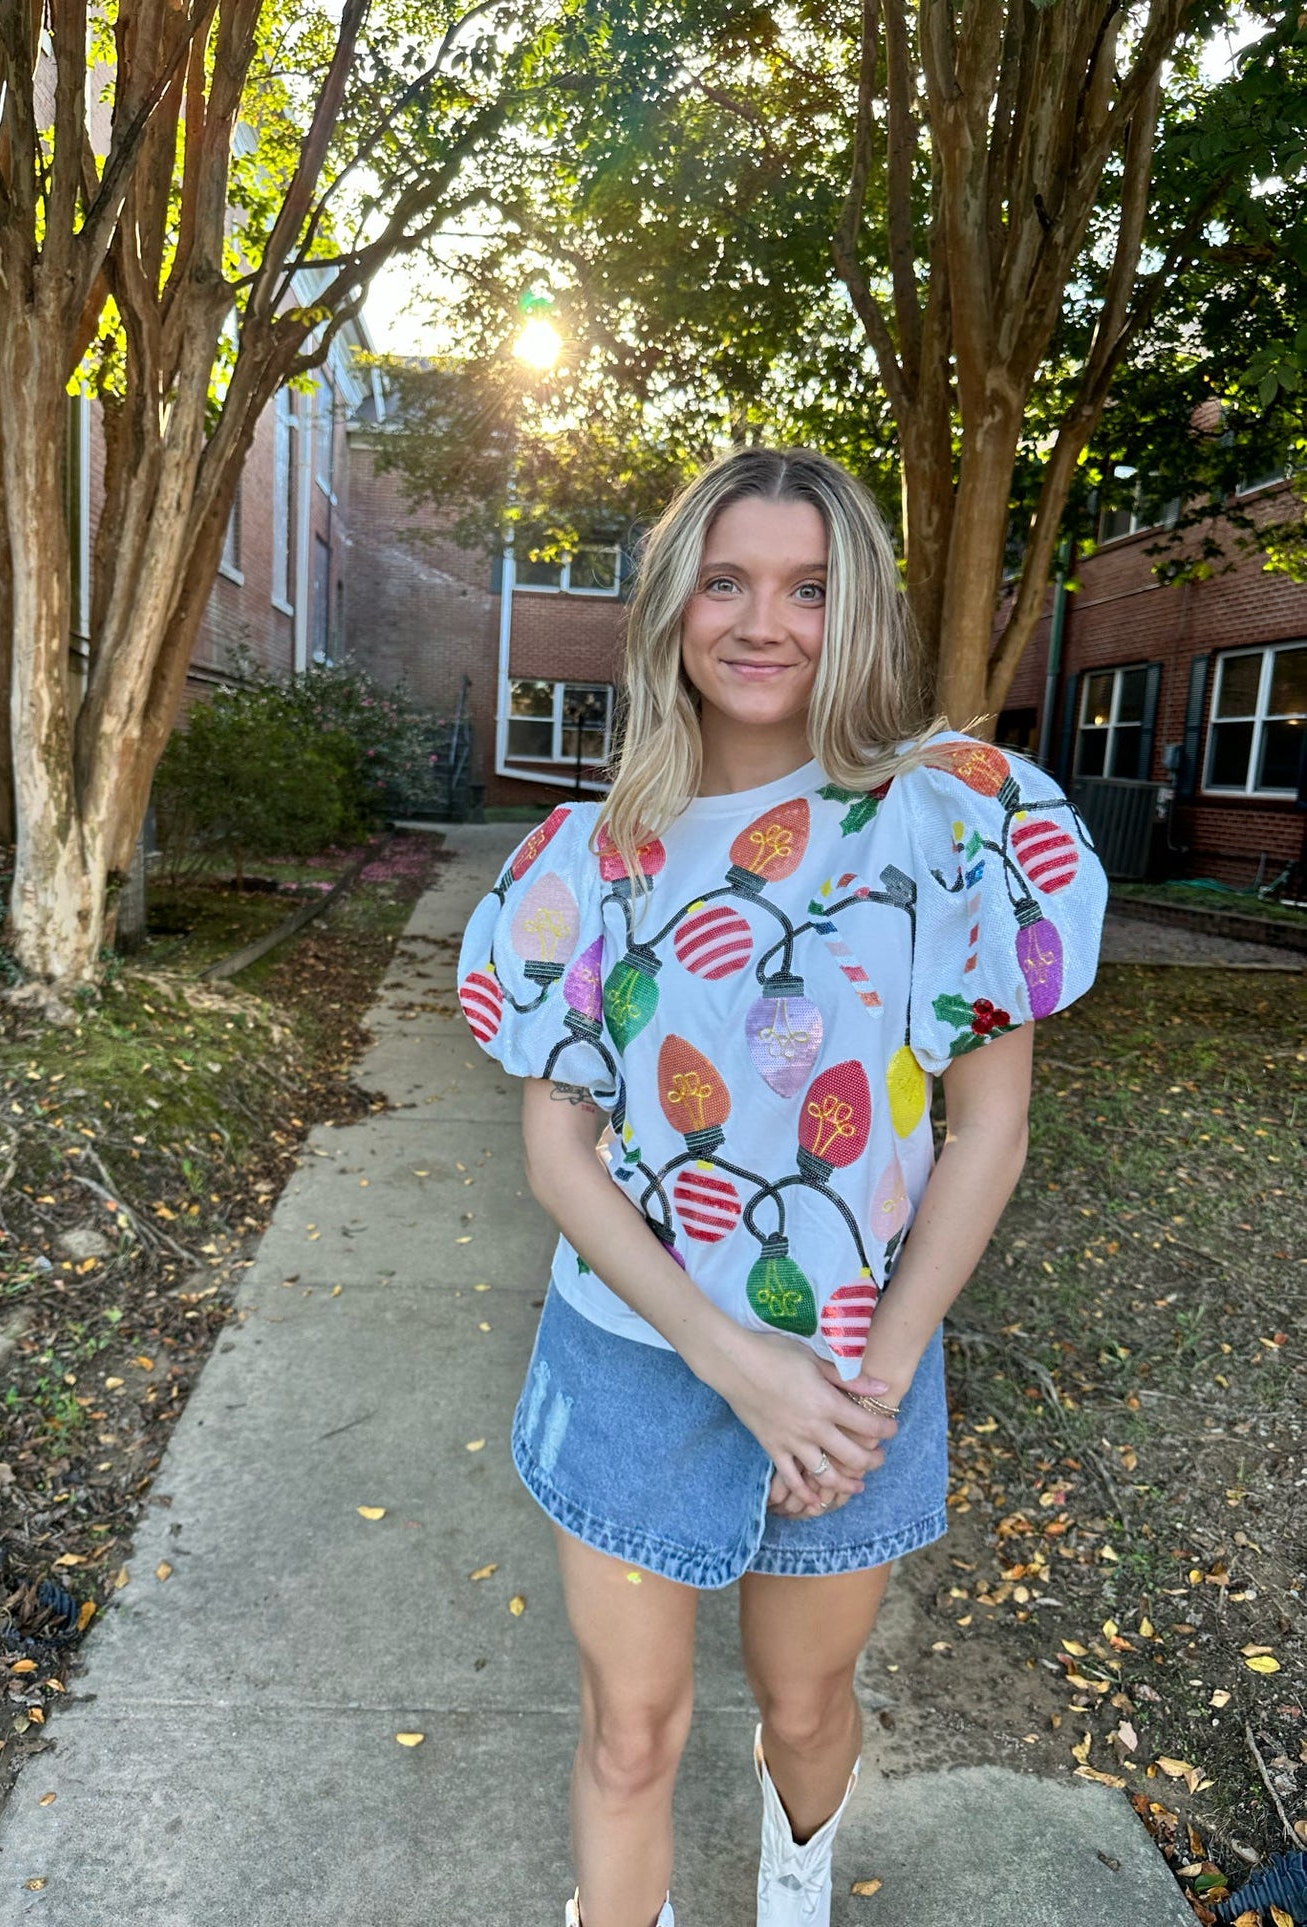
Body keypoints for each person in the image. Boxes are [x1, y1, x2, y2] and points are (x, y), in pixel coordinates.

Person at [456, 447, 1108, 1927]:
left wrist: (863, 1384)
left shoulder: (949, 830)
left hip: (858, 1375)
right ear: (674, 604)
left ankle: (794, 1881)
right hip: (637, 1360)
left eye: (808, 587)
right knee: (630, 1730)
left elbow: (983, 1132)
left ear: (855, 608)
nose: (766, 621)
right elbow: (557, 1153)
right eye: (728, 581)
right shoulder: (587, 859)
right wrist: (727, 1355)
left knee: (808, 1709)